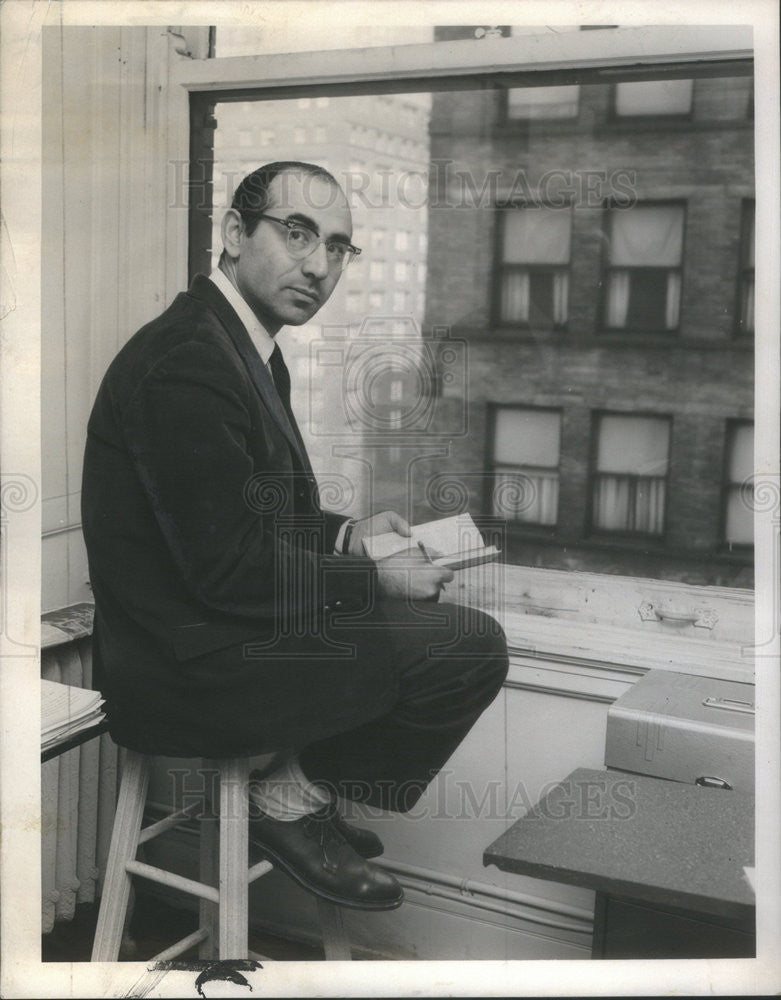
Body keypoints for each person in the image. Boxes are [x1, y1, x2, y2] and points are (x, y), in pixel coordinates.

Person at [81, 160, 509, 912]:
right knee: (465, 648)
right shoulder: (188, 362)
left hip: (210, 635)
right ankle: (287, 805)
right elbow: (226, 568)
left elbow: (254, 519)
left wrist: (349, 536)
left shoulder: (239, 344)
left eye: (338, 247)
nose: (319, 265)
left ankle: (299, 800)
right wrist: (378, 577)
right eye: (298, 232)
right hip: (182, 667)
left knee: (444, 634)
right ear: (235, 233)